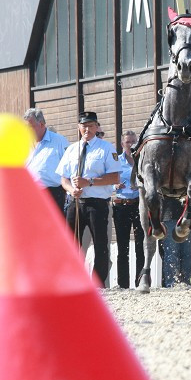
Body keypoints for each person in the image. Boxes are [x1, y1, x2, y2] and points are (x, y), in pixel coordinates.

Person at [56, 111, 120, 287]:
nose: (87, 129)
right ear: (79, 127)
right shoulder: (71, 149)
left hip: (96, 204)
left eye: (91, 126)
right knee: (70, 246)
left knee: (100, 246)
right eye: (84, 126)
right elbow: (63, 178)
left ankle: (97, 285)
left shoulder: (106, 148)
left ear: (97, 127)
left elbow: (115, 177)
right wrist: (71, 189)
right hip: (75, 203)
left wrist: (89, 182)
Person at [112, 130, 144, 289]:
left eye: (133, 142)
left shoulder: (142, 160)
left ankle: (141, 282)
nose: (131, 145)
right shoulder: (116, 160)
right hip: (122, 205)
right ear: (122, 144)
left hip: (139, 204)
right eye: (127, 142)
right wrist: (114, 185)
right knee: (122, 246)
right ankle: (123, 284)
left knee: (140, 245)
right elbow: (109, 177)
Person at [24, 108, 70, 212]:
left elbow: (70, 167)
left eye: (30, 127)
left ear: (41, 124)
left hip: (53, 194)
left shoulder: (59, 141)